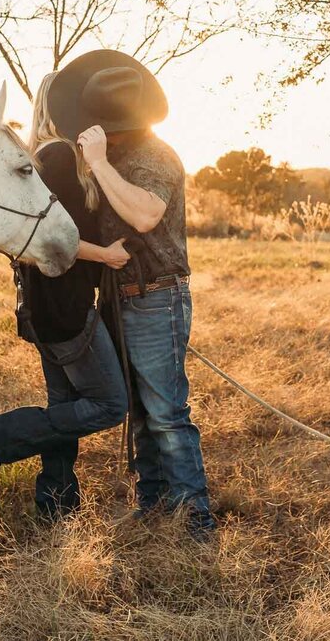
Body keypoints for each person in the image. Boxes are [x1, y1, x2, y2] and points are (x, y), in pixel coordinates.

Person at [48, 49, 217, 539]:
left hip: (156, 296)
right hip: (120, 297)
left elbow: (145, 215)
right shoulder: (116, 156)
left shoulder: (154, 157)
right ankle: (154, 503)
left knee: (166, 413)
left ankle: (195, 520)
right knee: (140, 412)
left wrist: (99, 164)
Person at [0, 73, 131, 522]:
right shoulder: (57, 158)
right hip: (64, 305)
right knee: (110, 405)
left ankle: (56, 502)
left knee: (65, 407)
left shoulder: (45, 156)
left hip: (47, 306)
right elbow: (56, 240)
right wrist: (108, 256)